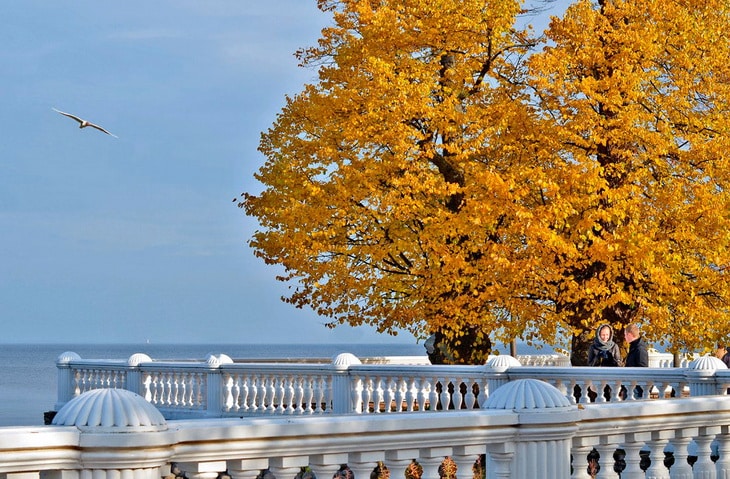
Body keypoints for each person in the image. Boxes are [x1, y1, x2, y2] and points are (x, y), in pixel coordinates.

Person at [623, 323, 649, 399]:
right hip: (632, 385)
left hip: (636, 388)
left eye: (625, 335)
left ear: (630, 335)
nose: (624, 337)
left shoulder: (639, 349)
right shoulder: (635, 346)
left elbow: (643, 369)